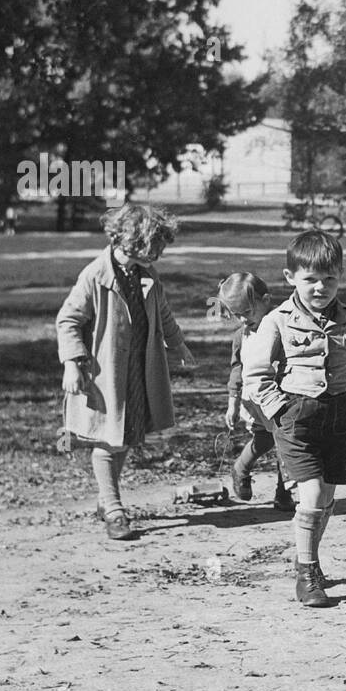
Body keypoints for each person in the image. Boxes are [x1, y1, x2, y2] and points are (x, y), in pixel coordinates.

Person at [244, 231, 346, 608]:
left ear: (340, 276)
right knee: (309, 495)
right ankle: (307, 574)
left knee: (326, 497)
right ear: (290, 277)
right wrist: (280, 412)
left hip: (339, 420)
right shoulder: (276, 321)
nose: (320, 287)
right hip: (296, 421)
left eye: (330, 279)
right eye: (310, 280)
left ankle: (307, 557)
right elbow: (255, 375)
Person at [56, 204, 196, 540]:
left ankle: (108, 499)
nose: (157, 256)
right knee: (107, 439)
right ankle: (115, 510)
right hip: (106, 374)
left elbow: (162, 313)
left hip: (139, 370)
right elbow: (68, 320)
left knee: (127, 436)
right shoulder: (95, 275)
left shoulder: (146, 275)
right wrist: (72, 363)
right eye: (153, 250)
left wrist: (178, 345)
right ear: (130, 243)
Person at [218, 272, 294, 512]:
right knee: (265, 439)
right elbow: (236, 370)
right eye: (236, 314)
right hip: (254, 400)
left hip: (280, 396)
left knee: (286, 442)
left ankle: (284, 494)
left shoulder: (282, 327)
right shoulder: (241, 336)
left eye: (247, 312)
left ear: (266, 300)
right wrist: (232, 403)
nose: (242, 319)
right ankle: (241, 468)